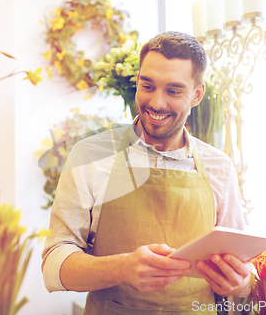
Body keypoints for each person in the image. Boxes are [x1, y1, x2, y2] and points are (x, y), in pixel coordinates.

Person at [42, 31, 252, 314]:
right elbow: (55, 263)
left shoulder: (220, 167)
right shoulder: (90, 156)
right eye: (148, 85)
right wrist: (122, 268)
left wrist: (241, 283)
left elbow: (243, 269)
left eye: (174, 91)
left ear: (196, 95)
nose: (156, 103)